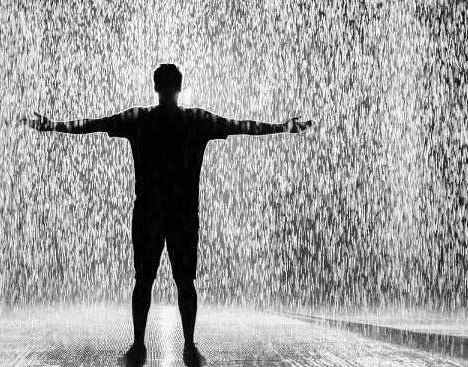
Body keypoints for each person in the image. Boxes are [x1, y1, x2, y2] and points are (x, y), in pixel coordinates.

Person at [21, 64, 313, 366]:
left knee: (143, 280)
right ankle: (188, 344)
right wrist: (282, 127)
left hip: (148, 212)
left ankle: (138, 343)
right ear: (180, 86)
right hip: (183, 215)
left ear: (156, 87)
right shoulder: (197, 121)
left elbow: (90, 124)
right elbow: (243, 126)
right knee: (185, 282)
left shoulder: (139, 119)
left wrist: (52, 124)